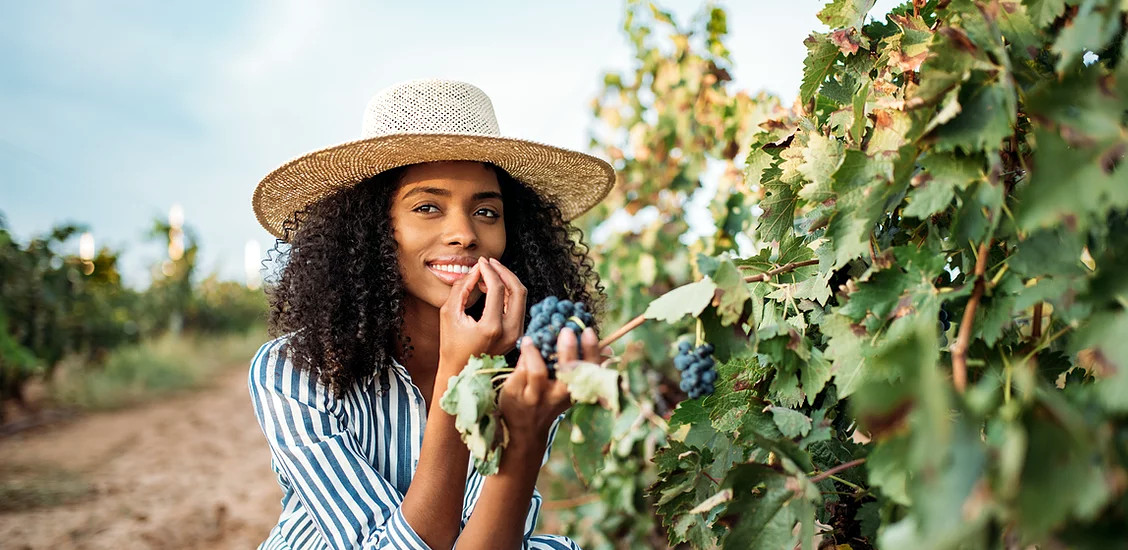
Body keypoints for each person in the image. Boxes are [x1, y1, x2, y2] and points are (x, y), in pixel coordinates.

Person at [247, 79, 615, 549]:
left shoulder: (527, 368)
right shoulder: (294, 371)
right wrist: (458, 375)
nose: (464, 233)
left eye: (486, 212)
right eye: (427, 207)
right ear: (373, 228)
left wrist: (521, 435)